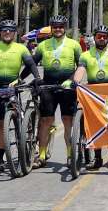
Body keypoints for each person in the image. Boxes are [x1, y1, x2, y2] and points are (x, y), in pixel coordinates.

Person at [0, 20, 40, 173]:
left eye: (10, 30)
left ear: (15, 33)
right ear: (0, 32)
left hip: (10, 92)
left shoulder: (20, 48)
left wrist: (37, 78)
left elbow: (31, 64)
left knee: (4, 127)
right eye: (4, 30)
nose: (7, 32)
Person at [31, 15, 82, 169]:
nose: (58, 29)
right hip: (48, 87)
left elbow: (81, 66)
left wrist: (73, 80)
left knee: (68, 121)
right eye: (55, 27)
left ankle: (69, 154)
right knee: (46, 121)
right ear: (51, 28)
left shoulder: (74, 45)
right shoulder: (43, 45)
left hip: (67, 88)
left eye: (60, 26)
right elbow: (31, 64)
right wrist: (20, 78)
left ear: (64, 28)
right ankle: (41, 155)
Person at [74, 25, 108, 170]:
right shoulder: (86, 55)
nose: (102, 38)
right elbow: (80, 71)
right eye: (99, 36)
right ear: (94, 37)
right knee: (95, 125)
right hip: (92, 93)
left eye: (105, 36)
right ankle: (97, 157)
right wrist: (75, 82)